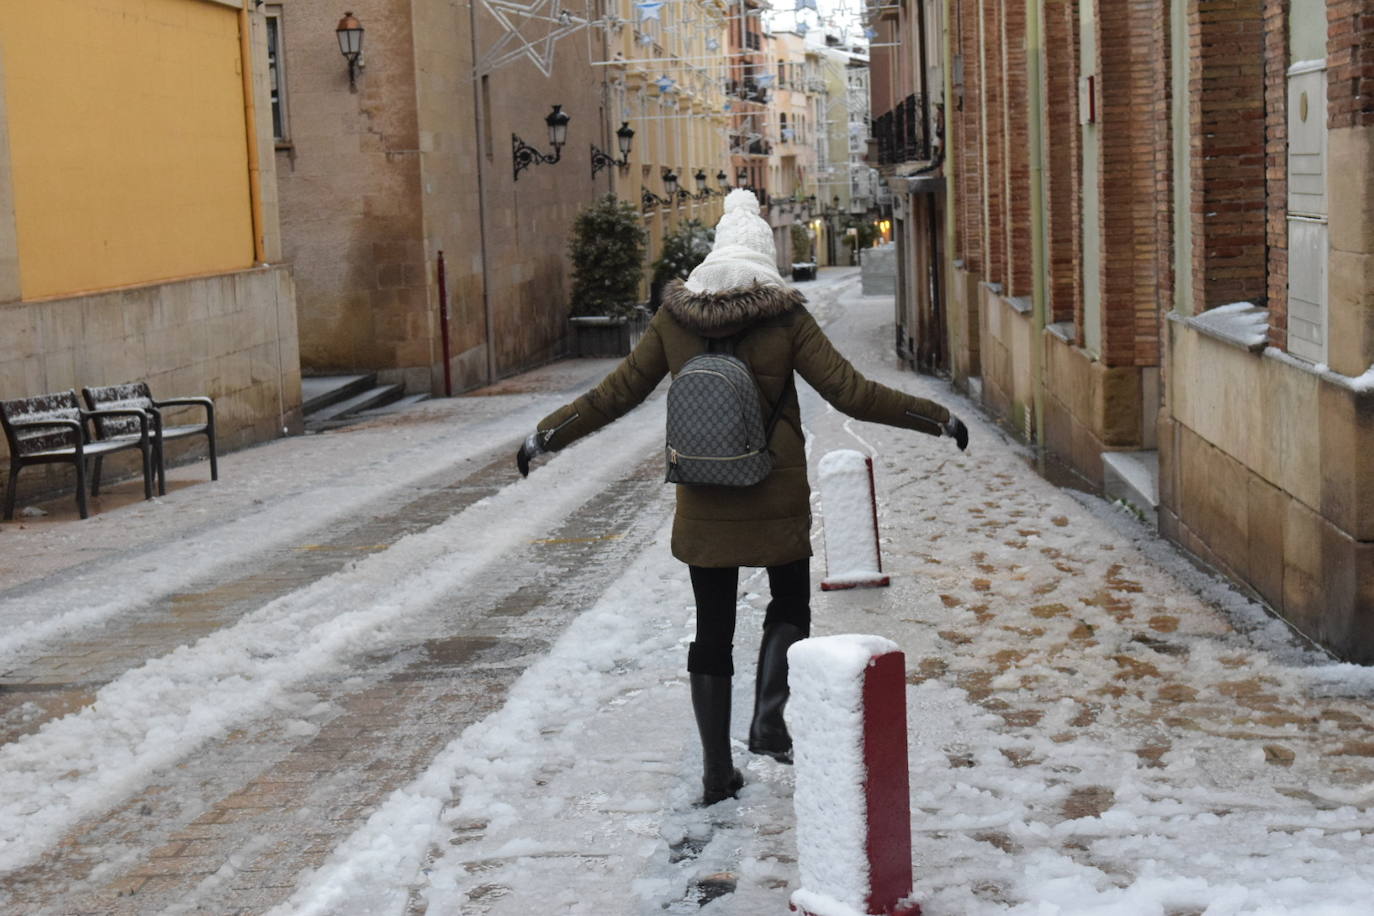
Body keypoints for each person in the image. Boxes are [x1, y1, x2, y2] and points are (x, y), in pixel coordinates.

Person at [517, 190, 967, 806]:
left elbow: (614, 395)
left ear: (713, 257)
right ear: (764, 258)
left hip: (703, 492)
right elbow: (853, 394)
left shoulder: (675, 320)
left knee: (712, 629)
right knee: (788, 602)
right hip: (775, 489)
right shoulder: (784, 319)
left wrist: (548, 435)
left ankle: (714, 771)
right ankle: (767, 721)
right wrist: (936, 416)